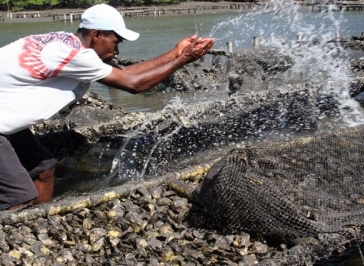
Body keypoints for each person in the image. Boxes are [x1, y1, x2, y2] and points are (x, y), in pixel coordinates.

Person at [0, 4, 214, 211]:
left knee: (43, 168)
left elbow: (126, 73)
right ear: (97, 35)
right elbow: (135, 84)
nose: (117, 49)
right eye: (115, 41)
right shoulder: (76, 56)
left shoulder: (65, 42)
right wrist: (185, 59)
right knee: (18, 197)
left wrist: (175, 53)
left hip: (6, 120)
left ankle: (40, 224)